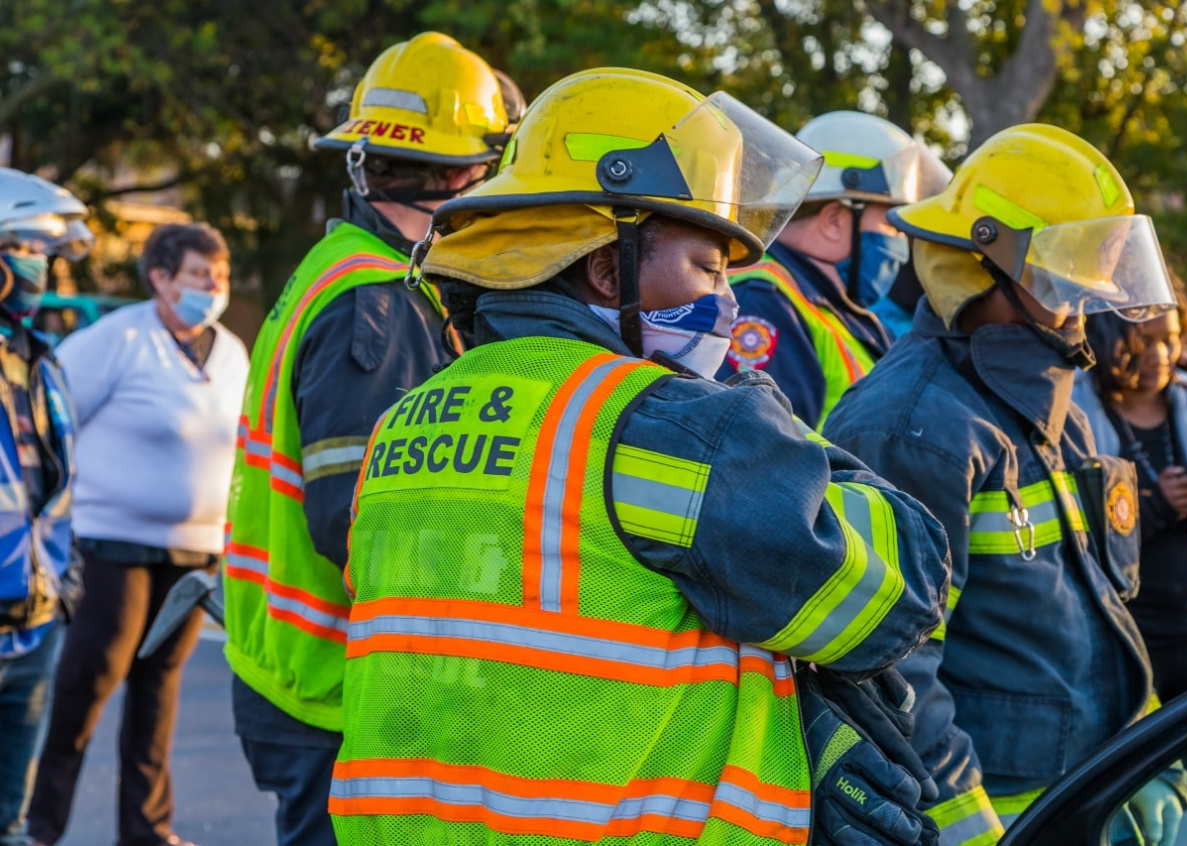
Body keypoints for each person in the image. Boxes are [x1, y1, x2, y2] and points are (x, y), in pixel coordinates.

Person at [329, 67, 952, 845]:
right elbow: (900, 588)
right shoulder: (663, 424)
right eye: (708, 268)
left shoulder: (406, 420)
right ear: (606, 268)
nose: (728, 303)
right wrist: (754, 412)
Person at [823, 124, 1186, 843]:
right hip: (1018, 811)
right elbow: (893, 676)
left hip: (1098, 790)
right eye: (1067, 272)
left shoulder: (1054, 411)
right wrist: (972, 831)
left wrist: (1145, 766)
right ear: (984, 265)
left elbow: (1099, 614)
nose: (1083, 300)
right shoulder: (909, 427)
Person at [221, 33, 515, 846]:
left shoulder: (339, 265)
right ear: (460, 178)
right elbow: (358, 524)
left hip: (296, 669)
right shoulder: (381, 303)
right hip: (338, 686)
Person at [25, 223, 248, 846]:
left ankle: (147, 831)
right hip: (113, 542)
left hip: (197, 549)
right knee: (89, 681)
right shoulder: (116, 339)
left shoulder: (232, 352)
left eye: (220, 275)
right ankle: (38, 826)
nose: (213, 287)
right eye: (200, 275)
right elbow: (51, 420)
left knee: (159, 688)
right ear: (160, 278)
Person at [716, 111, 949, 429]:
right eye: (891, 224)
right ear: (834, 221)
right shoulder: (763, 302)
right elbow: (759, 446)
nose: (901, 241)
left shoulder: (831, 306)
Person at [0, 168, 92, 846]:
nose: (39, 266)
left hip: (34, 622)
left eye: (44, 252)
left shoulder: (40, 358)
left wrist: (66, 582)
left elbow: (53, 485)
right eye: (26, 249)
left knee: (11, 821)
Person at [1074, 301, 1187, 705]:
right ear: (1106, 337)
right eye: (1144, 340)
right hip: (1126, 631)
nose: (1160, 355)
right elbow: (1080, 531)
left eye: (1171, 338)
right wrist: (1158, 504)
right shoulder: (1077, 412)